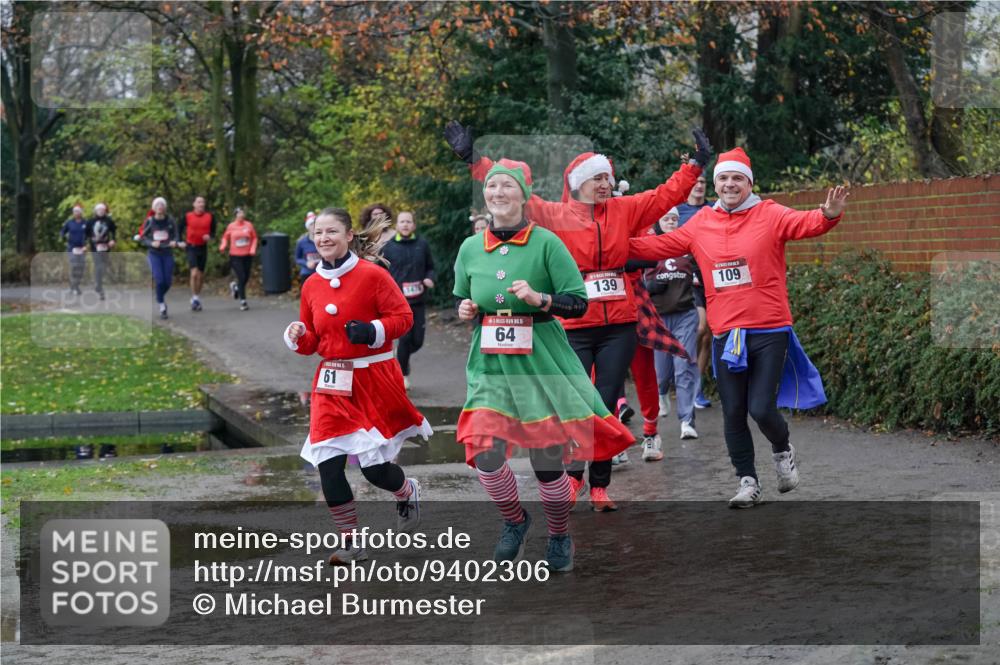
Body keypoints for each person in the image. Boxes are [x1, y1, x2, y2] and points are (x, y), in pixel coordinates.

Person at [445, 121, 711, 510]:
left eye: (608, 177)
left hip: (619, 323)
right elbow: (511, 189)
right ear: (578, 182)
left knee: (603, 401)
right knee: (571, 404)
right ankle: (571, 479)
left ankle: (599, 484)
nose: (606, 183)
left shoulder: (624, 209)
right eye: (598, 178)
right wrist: (473, 159)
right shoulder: (555, 215)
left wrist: (696, 165)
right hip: (572, 325)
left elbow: (664, 196)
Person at [629, 147, 850, 507]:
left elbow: (804, 223)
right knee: (732, 410)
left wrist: (827, 215)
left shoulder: (770, 213)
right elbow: (659, 245)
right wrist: (611, 246)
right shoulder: (700, 222)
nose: (730, 184)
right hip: (725, 335)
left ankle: (782, 450)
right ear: (715, 185)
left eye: (737, 178)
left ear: (749, 183)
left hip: (769, 328)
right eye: (723, 179)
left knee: (761, 408)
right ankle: (747, 481)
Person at [454, 159, 633, 569]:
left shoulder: (548, 243)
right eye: (492, 186)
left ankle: (558, 534)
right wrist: (465, 308)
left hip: (542, 361)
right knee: (483, 452)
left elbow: (578, 302)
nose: (498, 193)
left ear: (524, 195)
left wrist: (540, 300)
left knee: (547, 465)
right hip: (490, 363)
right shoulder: (469, 247)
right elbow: (463, 296)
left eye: (507, 187)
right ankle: (514, 520)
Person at [284, 207, 430, 564]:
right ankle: (351, 543)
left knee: (374, 469)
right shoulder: (311, 284)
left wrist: (373, 331)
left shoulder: (372, 275)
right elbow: (313, 340)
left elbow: (404, 318)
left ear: (349, 235)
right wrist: (297, 336)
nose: (324, 239)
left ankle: (406, 490)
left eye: (331, 232)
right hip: (331, 383)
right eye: (318, 233)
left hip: (372, 378)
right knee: (328, 464)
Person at [644, 207, 701, 441]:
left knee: (684, 368)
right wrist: (648, 287)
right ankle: (662, 392)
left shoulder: (687, 247)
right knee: (661, 373)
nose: (670, 222)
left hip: (685, 315)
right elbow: (634, 277)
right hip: (658, 317)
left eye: (674, 219)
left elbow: (703, 271)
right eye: (666, 218)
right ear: (658, 221)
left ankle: (687, 421)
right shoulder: (649, 245)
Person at [381, 211, 436, 390]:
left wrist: (430, 278)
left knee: (417, 341)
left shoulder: (422, 244)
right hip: (398, 302)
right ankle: (403, 375)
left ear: (413, 225)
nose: (405, 225)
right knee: (404, 339)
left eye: (408, 222)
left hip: (418, 300)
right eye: (402, 222)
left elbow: (431, 267)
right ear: (396, 225)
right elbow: (379, 271)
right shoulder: (389, 247)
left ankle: (401, 357)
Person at [677, 174, 714, 408]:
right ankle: (684, 377)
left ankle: (696, 389)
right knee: (700, 327)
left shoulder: (714, 208)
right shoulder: (677, 211)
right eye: (696, 182)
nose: (699, 186)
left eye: (703, 182)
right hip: (687, 278)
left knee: (709, 334)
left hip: (713, 274)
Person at [140, 197, 179, 319]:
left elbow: (177, 235)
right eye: (157, 205)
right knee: (159, 280)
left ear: (165, 208)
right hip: (154, 254)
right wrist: (151, 243)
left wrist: (175, 242)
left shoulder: (170, 220)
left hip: (167, 253)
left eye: (162, 205)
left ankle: (158, 296)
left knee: (167, 282)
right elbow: (143, 237)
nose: (160, 207)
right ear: (154, 208)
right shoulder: (150, 221)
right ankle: (162, 305)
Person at [179, 196, 216, 312]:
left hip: (203, 247)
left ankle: (196, 297)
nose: (201, 204)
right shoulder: (187, 216)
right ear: (194, 204)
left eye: (203, 202)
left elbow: (213, 232)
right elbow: (179, 228)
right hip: (191, 247)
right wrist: (180, 241)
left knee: (200, 275)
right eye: (199, 202)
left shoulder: (210, 217)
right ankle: (195, 298)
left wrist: (209, 236)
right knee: (194, 273)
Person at [219, 208, 258, 311]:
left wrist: (252, 248)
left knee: (246, 277)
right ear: (235, 215)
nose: (241, 215)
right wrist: (223, 245)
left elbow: (254, 238)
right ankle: (243, 301)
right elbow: (225, 237)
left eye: (242, 213)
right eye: (239, 213)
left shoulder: (248, 225)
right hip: (235, 255)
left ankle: (235, 287)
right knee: (241, 276)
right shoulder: (231, 226)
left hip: (247, 255)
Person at [86, 203, 117, 300]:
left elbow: (113, 231)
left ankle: (97, 284)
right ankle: (100, 288)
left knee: (103, 266)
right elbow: (86, 233)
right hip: (95, 247)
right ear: (95, 211)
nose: (101, 211)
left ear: (105, 211)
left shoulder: (109, 221)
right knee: (98, 265)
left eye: (102, 210)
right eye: (99, 210)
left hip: (105, 246)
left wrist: (113, 240)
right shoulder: (90, 221)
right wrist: (86, 242)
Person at [60, 205, 89, 296]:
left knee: (81, 268)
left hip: (82, 249)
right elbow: (62, 232)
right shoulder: (69, 223)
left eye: (78, 211)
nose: (76, 213)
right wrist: (64, 238)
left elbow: (90, 235)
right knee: (74, 266)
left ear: (81, 212)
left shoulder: (86, 223)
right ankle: (74, 287)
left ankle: (75, 286)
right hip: (72, 248)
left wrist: (87, 245)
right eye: (74, 211)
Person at [295, 211, 320, 289]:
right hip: (307, 272)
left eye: (315, 224)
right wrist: (306, 263)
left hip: (322, 271)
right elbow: (297, 259)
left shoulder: (323, 240)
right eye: (311, 224)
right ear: (308, 227)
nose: (314, 226)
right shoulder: (301, 242)